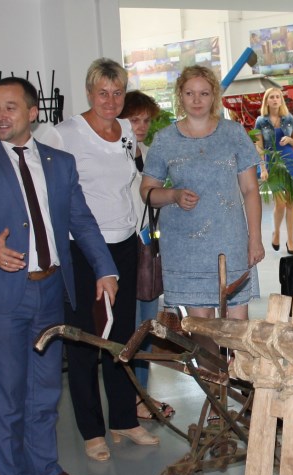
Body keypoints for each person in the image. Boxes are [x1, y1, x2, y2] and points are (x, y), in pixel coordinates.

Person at [0, 76, 118, 475]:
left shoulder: (60, 163)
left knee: (45, 391)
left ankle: (45, 469)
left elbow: (81, 221)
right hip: (2, 297)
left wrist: (105, 268)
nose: (0, 115)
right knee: (7, 393)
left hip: (50, 292)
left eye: (10, 107)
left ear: (32, 112)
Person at [55, 58, 158, 462]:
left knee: (123, 337)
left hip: (125, 243)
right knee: (84, 340)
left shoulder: (127, 133)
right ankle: (91, 431)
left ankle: (124, 419)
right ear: (89, 93)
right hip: (83, 248)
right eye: (103, 93)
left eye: (117, 93)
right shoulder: (65, 134)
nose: (111, 101)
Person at [141, 66, 263, 325]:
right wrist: (173, 195)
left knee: (237, 324)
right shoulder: (164, 140)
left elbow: (251, 190)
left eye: (204, 93)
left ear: (214, 96)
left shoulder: (234, 133)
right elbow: (147, 192)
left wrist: (255, 239)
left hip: (230, 240)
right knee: (201, 327)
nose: (196, 100)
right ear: (180, 96)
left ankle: (233, 357)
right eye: (190, 93)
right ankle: (209, 356)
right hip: (185, 247)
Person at [119, 90, 175, 422]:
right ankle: (131, 398)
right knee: (126, 329)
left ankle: (142, 395)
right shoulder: (114, 154)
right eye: (134, 119)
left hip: (148, 248)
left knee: (147, 327)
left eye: (145, 120)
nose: (140, 126)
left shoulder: (152, 155)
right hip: (120, 247)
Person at [255, 87, 293, 254]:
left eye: (278, 97)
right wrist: (262, 168)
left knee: (291, 203)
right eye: (272, 97)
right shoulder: (260, 121)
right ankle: (276, 232)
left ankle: (290, 240)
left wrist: (289, 139)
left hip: (290, 162)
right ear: (267, 101)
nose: (275, 100)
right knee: (280, 204)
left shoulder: (289, 118)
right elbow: (259, 147)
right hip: (273, 163)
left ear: (281, 100)